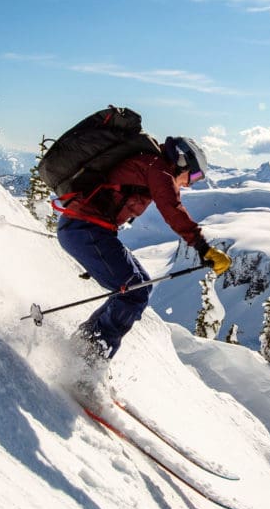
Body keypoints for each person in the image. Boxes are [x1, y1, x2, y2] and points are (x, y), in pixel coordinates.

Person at [55, 134, 231, 393]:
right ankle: (87, 361)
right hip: (84, 230)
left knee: (141, 288)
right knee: (133, 293)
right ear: (182, 162)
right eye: (193, 177)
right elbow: (171, 208)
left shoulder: (150, 165)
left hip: (89, 231)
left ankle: (83, 351)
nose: (191, 184)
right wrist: (203, 248)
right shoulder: (157, 167)